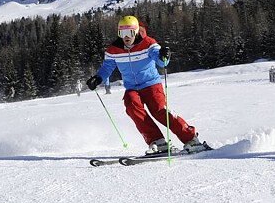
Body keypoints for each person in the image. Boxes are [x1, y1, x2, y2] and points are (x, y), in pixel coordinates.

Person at [86, 16, 206, 155]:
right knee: (131, 105)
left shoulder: (148, 44)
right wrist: (98, 78)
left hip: (151, 84)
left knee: (159, 111)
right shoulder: (113, 50)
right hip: (132, 87)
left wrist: (164, 55)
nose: (126, 37)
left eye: (130, 32)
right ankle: (158, 141)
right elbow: (107, 68)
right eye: (122, 33)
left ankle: (191, 139)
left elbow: (161, 61)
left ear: (136, 31)